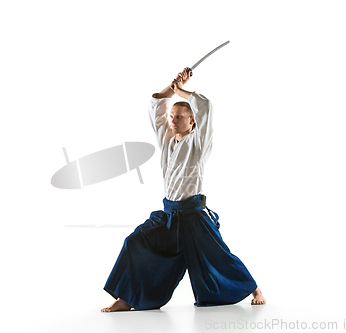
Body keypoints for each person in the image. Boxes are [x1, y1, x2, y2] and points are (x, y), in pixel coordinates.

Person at [101, 68, 265, 312]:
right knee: (134, 242)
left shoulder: (198, 143)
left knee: (219, 256)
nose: (173, 119)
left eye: (180, 116)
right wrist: (171, 87)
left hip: (193, 215)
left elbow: (206, 106)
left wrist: (181, 90)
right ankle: (127, 298)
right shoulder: (167, 140)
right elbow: (156, 105)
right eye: (172, 116)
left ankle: (255, 289)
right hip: (169, 216)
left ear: (192, 121)